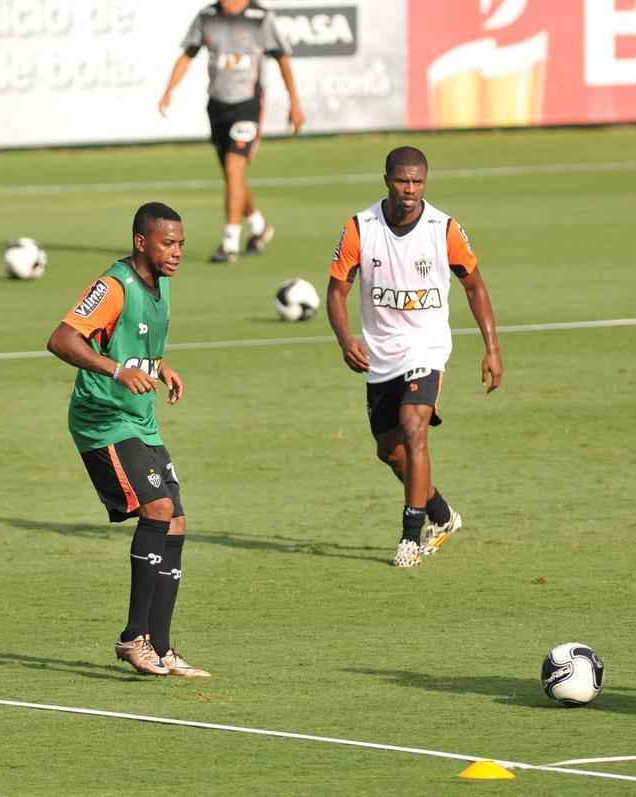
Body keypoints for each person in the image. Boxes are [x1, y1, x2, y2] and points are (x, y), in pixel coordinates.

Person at [46, 202, 210, 677]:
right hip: (103, 420)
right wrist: (115, 370)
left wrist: (161, 367)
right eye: (168, 243)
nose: (177, 252)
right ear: (142, 242)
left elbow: (135, 346)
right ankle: (131, 639)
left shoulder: (160, 287)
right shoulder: (113, 286)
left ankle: (159, 647)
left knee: (176, 521)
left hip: (139, 419)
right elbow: (61, 340)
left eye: (180, 243)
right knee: (157, 511)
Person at [326, 146, 504, 568]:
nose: (410, 190)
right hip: (380, 353)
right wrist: (344, 336)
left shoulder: (443, 229)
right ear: (387, 179)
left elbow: (475, 286)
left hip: (426, 345)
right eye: (402, 181)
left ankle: (410, 534)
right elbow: (337, 289)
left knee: (413, 425)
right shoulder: (360, 227)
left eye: (417, 182)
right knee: (390, 453)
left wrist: (492, 349)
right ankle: (442, 515)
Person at [158, 0, 305, 264]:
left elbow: (282, 59)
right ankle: (258, 226)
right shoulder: (207, 15)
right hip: (216, 105)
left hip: (247, 103)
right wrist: (169, 89)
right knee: (232, 174)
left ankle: (230, 242)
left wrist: (294, 101)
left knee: (234, 167)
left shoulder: (260, 17)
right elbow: (188, 53)